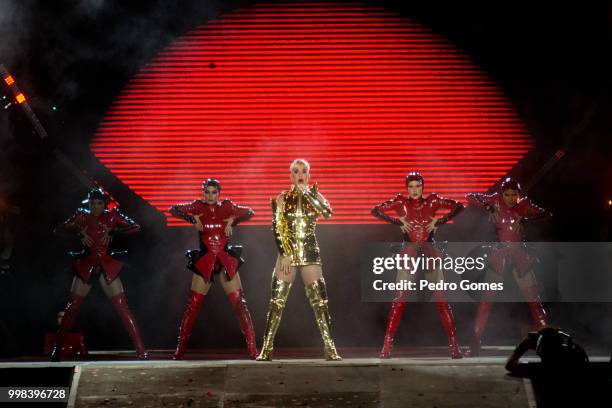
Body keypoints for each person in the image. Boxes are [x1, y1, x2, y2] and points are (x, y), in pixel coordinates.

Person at [372, 171, 464, 359]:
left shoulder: (432, 201)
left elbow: (459, 205)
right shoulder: (400, 203)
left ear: (423, 187)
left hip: (429, 251)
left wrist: (441, 220)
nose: (414, 190)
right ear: (407, 188)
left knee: (441, 299)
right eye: (411, 187)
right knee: (399, 299)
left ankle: (455, 346)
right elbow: (375, 210)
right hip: (409, 252)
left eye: (418, 186)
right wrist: (396, 222)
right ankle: (387, 347)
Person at [257, 159, 341, 361]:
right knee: (277, 302)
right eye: (296, 171)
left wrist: (308, 194)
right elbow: (277, 228)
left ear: (309, 175)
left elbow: (327, 213)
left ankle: (330, 349)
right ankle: (266, 349)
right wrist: (284, 253)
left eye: (304, 171)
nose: (300, 174)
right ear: (290, 176)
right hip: (287, 251)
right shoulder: (282, 198)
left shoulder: (315, 196)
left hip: (310, 250)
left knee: (320, 302)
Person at [51, 189, 147, 361]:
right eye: (92, 203)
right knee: (72, 308)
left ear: (104, 204)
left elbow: (136, 227)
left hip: (106, 264)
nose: (95, 207)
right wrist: (79, 233)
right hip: (86, 263)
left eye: (99, 203)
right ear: (88, 203)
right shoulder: (81, 216)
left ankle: (141, 350)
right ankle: (57, 351)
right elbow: (58, 230)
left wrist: (114, 232)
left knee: (122, 308)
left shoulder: (112, 216)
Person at [169, 178, 257, 359]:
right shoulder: (197, 207)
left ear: (219, 193)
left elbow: (250, 212)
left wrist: (233, 221)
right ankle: (180, 350)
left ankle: (253, 350)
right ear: (203, 192)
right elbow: (173, 209)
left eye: (214, 192)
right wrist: (191, 218)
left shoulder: (227, 206)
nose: (210, 196)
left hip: (225, 259)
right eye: (207, 192)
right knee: (192, 307)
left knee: (240, 305)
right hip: (205, 260)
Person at [466, 177, 552, 356]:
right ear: (502, 193)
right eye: (507, 195)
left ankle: (550, 343)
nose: (511, 198)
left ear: (519, 195)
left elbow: (546, 213)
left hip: (519, 256)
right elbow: (470, 196)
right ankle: (474, 344)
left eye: (514, 195)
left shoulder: (525, 204)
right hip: (500, 256)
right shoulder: (495, 200)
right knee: (486, 301)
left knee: (534, 301)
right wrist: (489, 207)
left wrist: (527, 219)